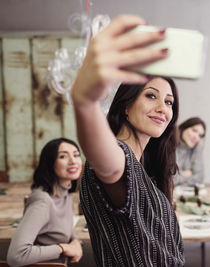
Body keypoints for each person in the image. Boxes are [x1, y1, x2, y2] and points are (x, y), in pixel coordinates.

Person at [71, 15, 184, 266]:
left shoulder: (144, 167)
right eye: (151, 96)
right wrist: (85, 103)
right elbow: (109, 164)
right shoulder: (120, 158)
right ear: (126, 105)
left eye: (168, 102)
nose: (163, 109)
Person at [7, 138, 83, 266]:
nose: (73, 161)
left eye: (76, 155)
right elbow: (16, 256)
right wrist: (62, 248)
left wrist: (76, 242)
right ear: (50, 163)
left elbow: (64, 230)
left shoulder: (65, 194)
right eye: (63, 156)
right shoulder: (43, 201)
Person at [174, 117, 206, 186]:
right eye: (194, 130)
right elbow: (171, 179)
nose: (196, 137)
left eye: (200, 135)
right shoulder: (169, 144)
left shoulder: (195, 147)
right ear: (183, 128)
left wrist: (199, 147)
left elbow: (200, 178)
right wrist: (187, 173)